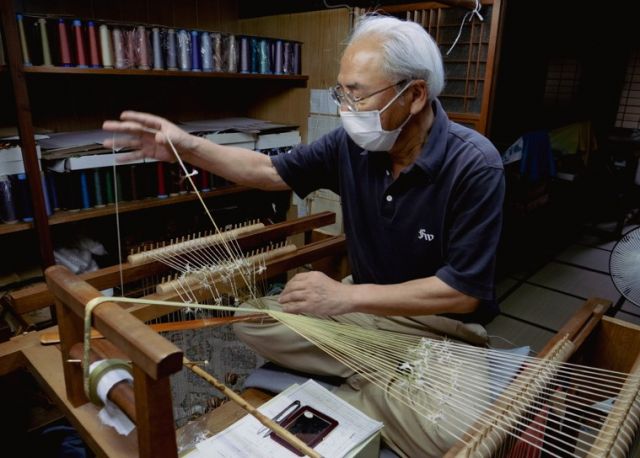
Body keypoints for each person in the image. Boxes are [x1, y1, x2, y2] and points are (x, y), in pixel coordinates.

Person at [104, 14, 504, 457]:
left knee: (456, 439)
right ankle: (380, 381)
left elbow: (462, 292)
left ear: (413, 96)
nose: (345, 107)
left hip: (440, 330)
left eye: (357, 94)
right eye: (341, 92)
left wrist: (344, 299)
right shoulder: (353, 146)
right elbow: (269, 171)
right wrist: (187, 146)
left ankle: (363, 388)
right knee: (254, 320)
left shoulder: (475, 166)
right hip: (364, 313)